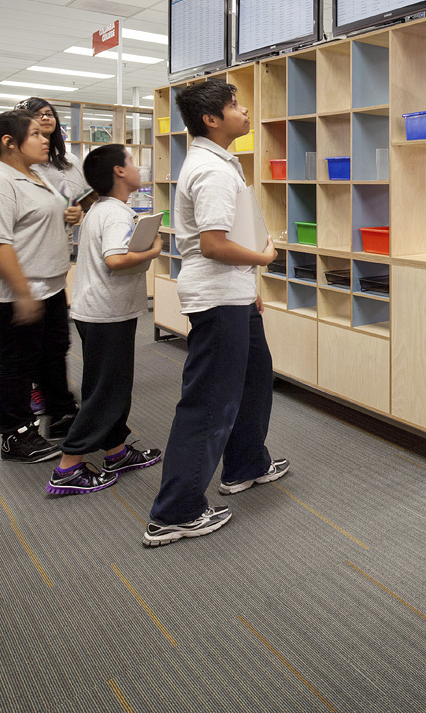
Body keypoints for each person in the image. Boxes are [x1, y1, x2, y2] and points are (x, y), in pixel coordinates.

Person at [144, 82, 287, 547]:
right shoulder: (211, 170)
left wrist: (250, 287)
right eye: (234, 105)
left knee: (255, 378)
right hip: (218, 297)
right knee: (209, 402)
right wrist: (263, 260)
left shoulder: (219, 162)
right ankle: (176, 511)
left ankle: (246, 464)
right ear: (211, 119)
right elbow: (213, 244)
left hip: (235, 293)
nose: (244, 111)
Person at [46, 144, 164, 496]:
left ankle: (116, 451)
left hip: (101, 311)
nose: (138, 167)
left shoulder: (102, 207)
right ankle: (68, 466)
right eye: (132, 162)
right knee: (105, 392)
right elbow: (115, 259)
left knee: (109, 386)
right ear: (119, 172)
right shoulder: (115, 214)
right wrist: (154, 250)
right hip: (106, 314)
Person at [0, 110, 78, 462]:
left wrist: (70, 211)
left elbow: (60, 205)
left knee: (53, 351)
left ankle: (60, 413)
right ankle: (15, 434)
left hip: (48, 284)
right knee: (18, 362)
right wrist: (22, 293)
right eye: (35, 134)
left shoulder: (37, 173)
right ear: (9, 142)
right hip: (11, 291)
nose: (45, 138)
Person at [15, 98, 84, 416]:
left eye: (49, 114)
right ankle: (36, 389)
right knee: (30, 337)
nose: (45, 119)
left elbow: (82, 197)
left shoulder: (69, 161)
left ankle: (54, 393)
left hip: (59, 249)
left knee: (56, 337)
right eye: (37, 115)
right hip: (30, 253)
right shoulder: (21, 162)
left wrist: (78, 210)